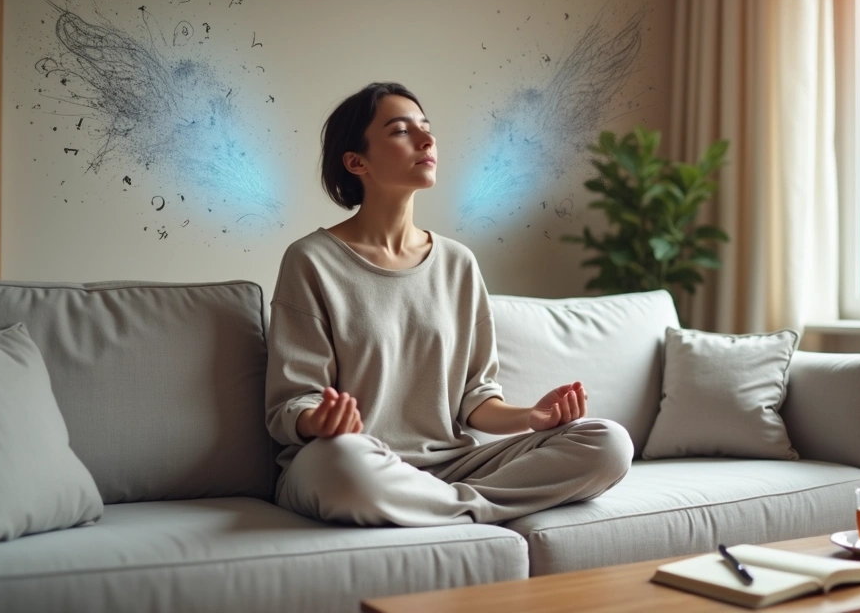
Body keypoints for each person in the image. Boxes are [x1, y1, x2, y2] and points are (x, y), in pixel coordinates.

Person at [265, 82, 633, 527]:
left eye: (426, 128)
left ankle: (444, 509)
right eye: (401, 131)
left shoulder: (458, 263)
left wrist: (531, 416)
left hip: (451, 467)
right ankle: (467, 509)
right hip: (354, 459)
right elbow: (291, 404)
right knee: (341, 463)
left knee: (609, 443)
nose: (426, 141)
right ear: (356, 161)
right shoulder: (312, 260)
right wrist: (320, 422)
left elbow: (476, 399)